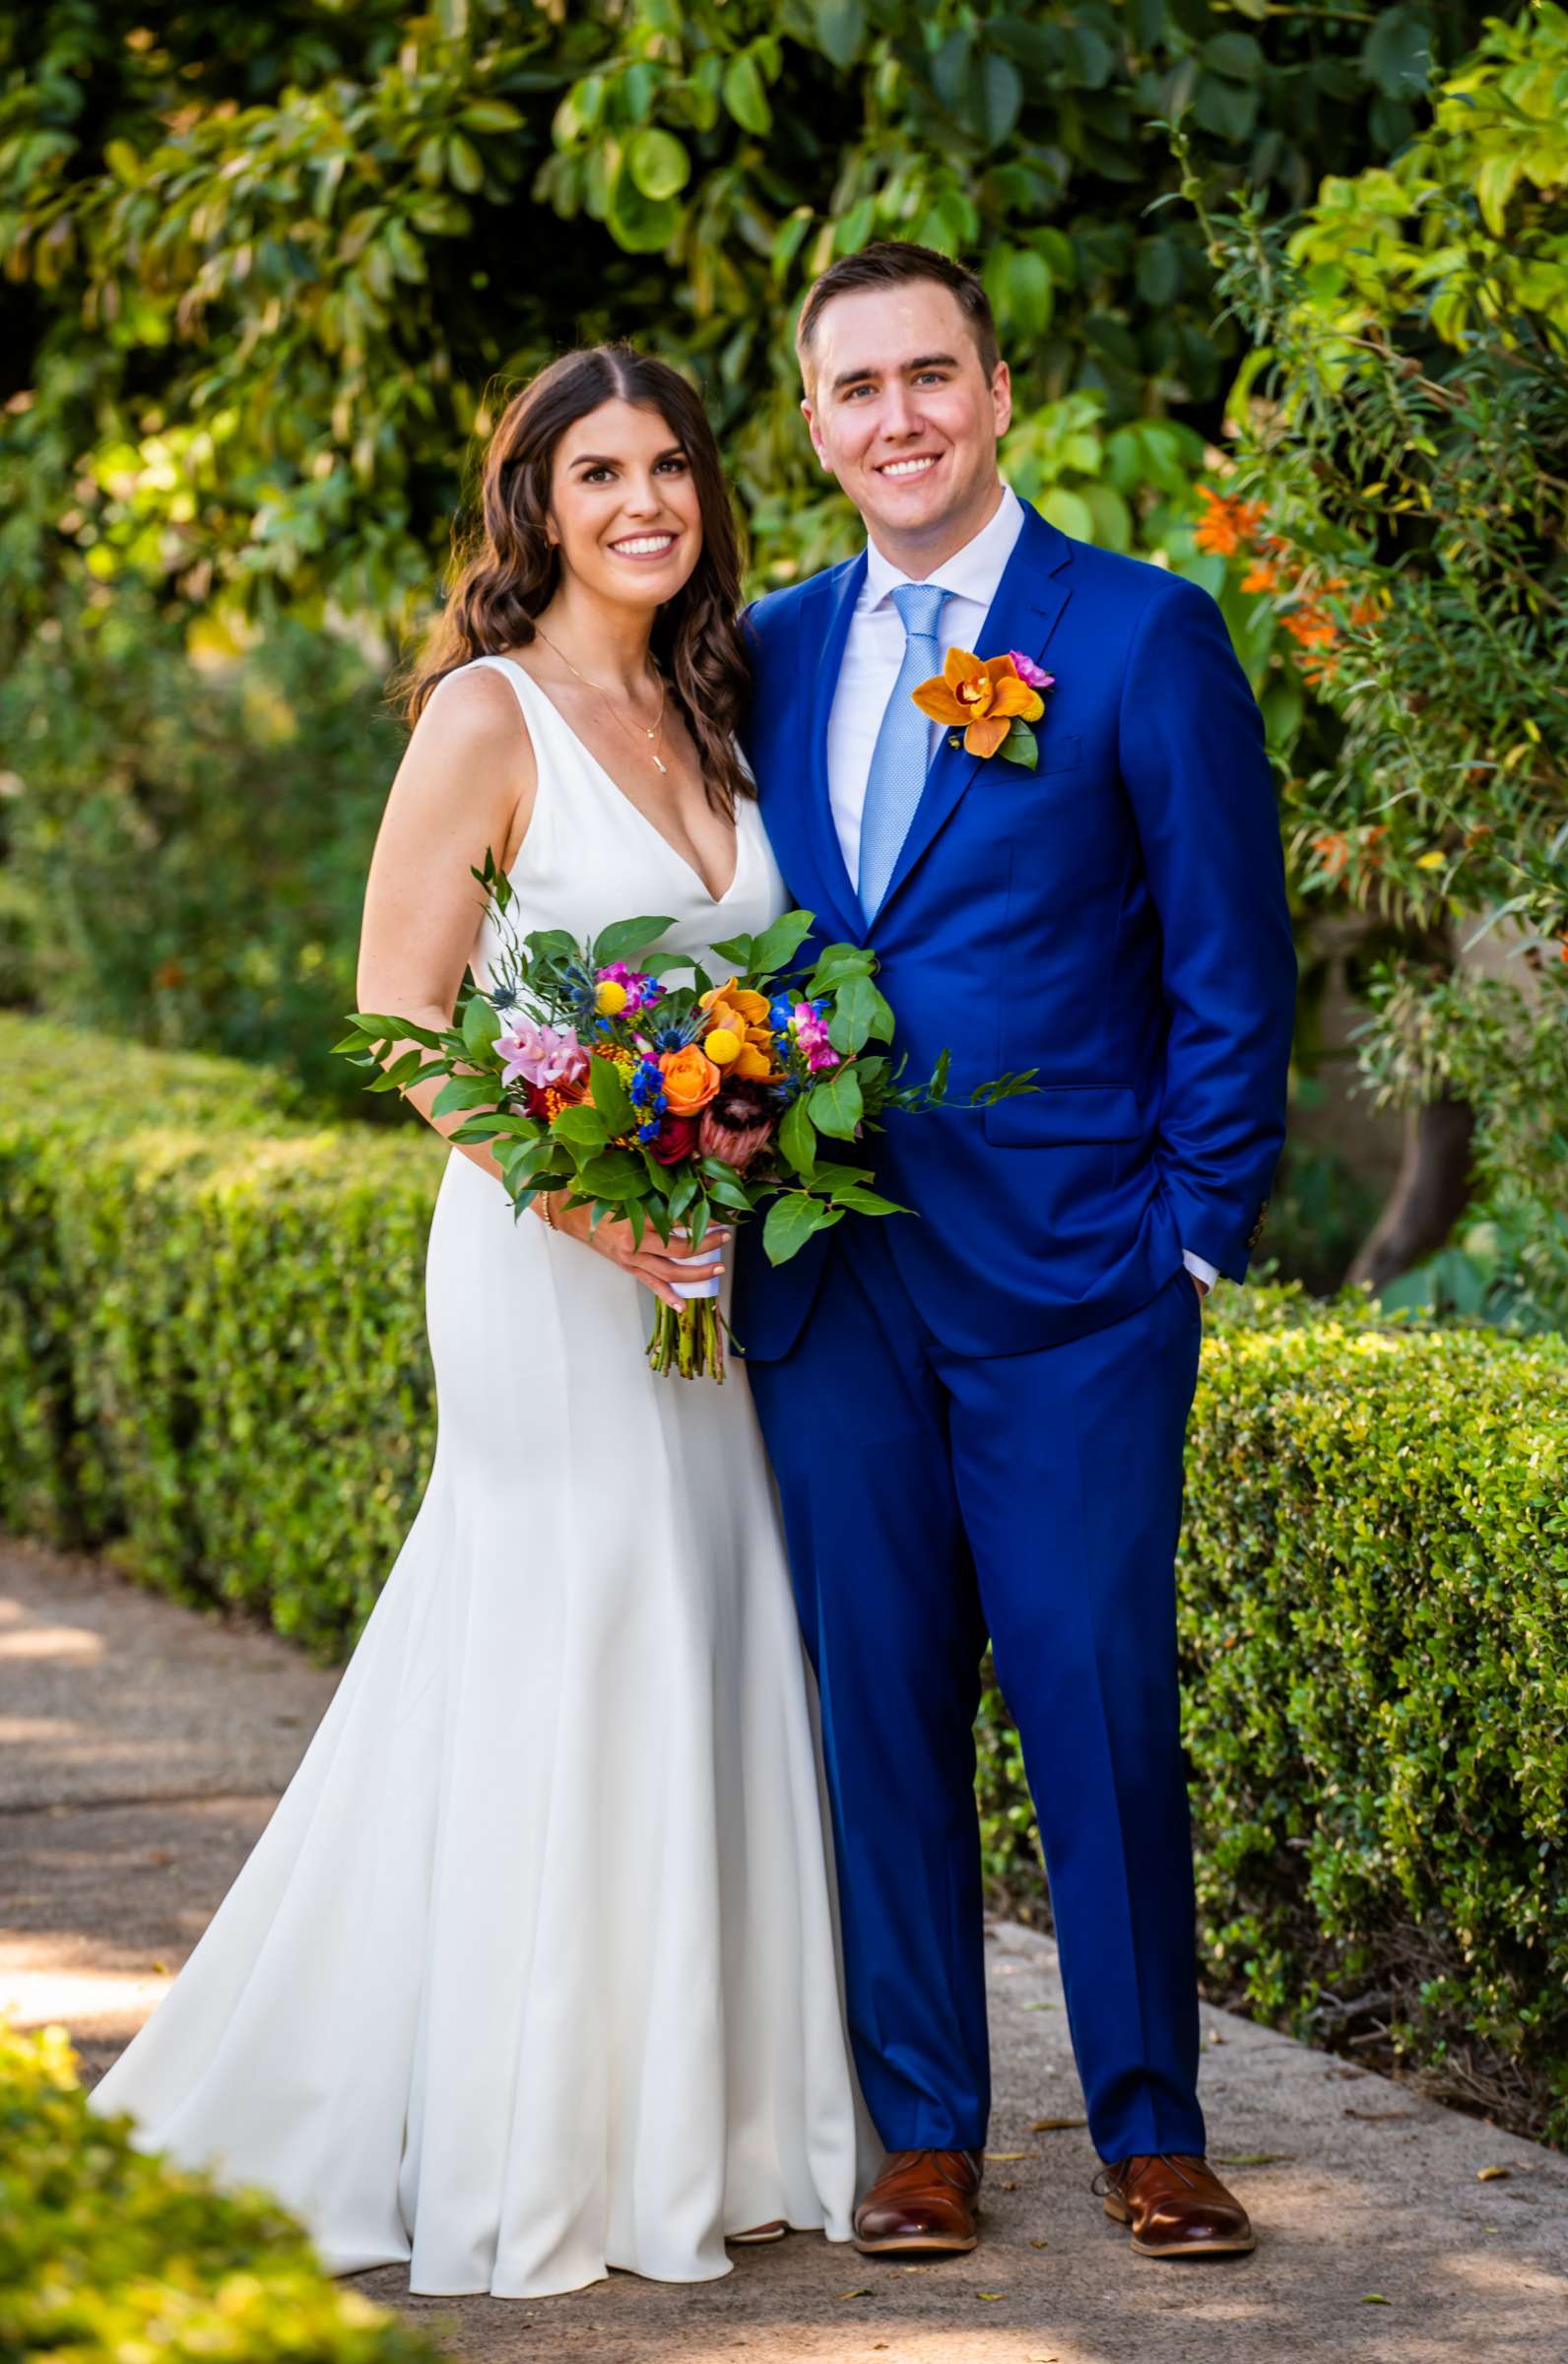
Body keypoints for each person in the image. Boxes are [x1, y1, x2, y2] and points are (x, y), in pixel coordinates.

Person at [87, 345, 876, 2299]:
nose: (645, 503)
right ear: (534, 502)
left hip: (710, 1250)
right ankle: (542, 2145)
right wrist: (605, 1205)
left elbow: (762, 982)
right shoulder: (486, 712)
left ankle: (709, 2123)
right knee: (570, 1617)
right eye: (597, 471)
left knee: (704, 1612)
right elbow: (399, 1016)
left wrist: (748, 1125)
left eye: (673, 467)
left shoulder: (724, 701)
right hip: (548, 1262)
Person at [736, 240, 1297, 2263]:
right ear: (812, 425)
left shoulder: (1140, 637)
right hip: (831, 1284)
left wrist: (1195, 1241)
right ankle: (922, 2134)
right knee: (874, 1700)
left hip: (1080, 1287)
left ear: (996, 392)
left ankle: (1155, 2123)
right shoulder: (770, 648)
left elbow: (1235, 965)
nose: (896, 417)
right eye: (854, 388)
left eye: (929, 377)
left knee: (1092, 1693)